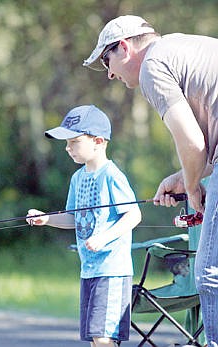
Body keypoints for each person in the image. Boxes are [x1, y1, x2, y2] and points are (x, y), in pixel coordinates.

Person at [82, 14, 218, 347]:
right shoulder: (186, 46)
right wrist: (186, 176)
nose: (110, 73)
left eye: (107, 60)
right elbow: (203, 148)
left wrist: (190, 185)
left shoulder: (152, 66)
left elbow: (192, 143)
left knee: (211, 276)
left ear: (125, 47)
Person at [26, 105, 141, 347]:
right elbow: (72, 218)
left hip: (112, 270)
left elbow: (133, 215)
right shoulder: (77, 178)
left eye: (74, 141)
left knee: (103, 338)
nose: (67, 148)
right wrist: (46, 218)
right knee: (94, 338)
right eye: (66, 143)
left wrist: (104, 238)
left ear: (98, 141)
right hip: (88, 270)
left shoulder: (112, 175)